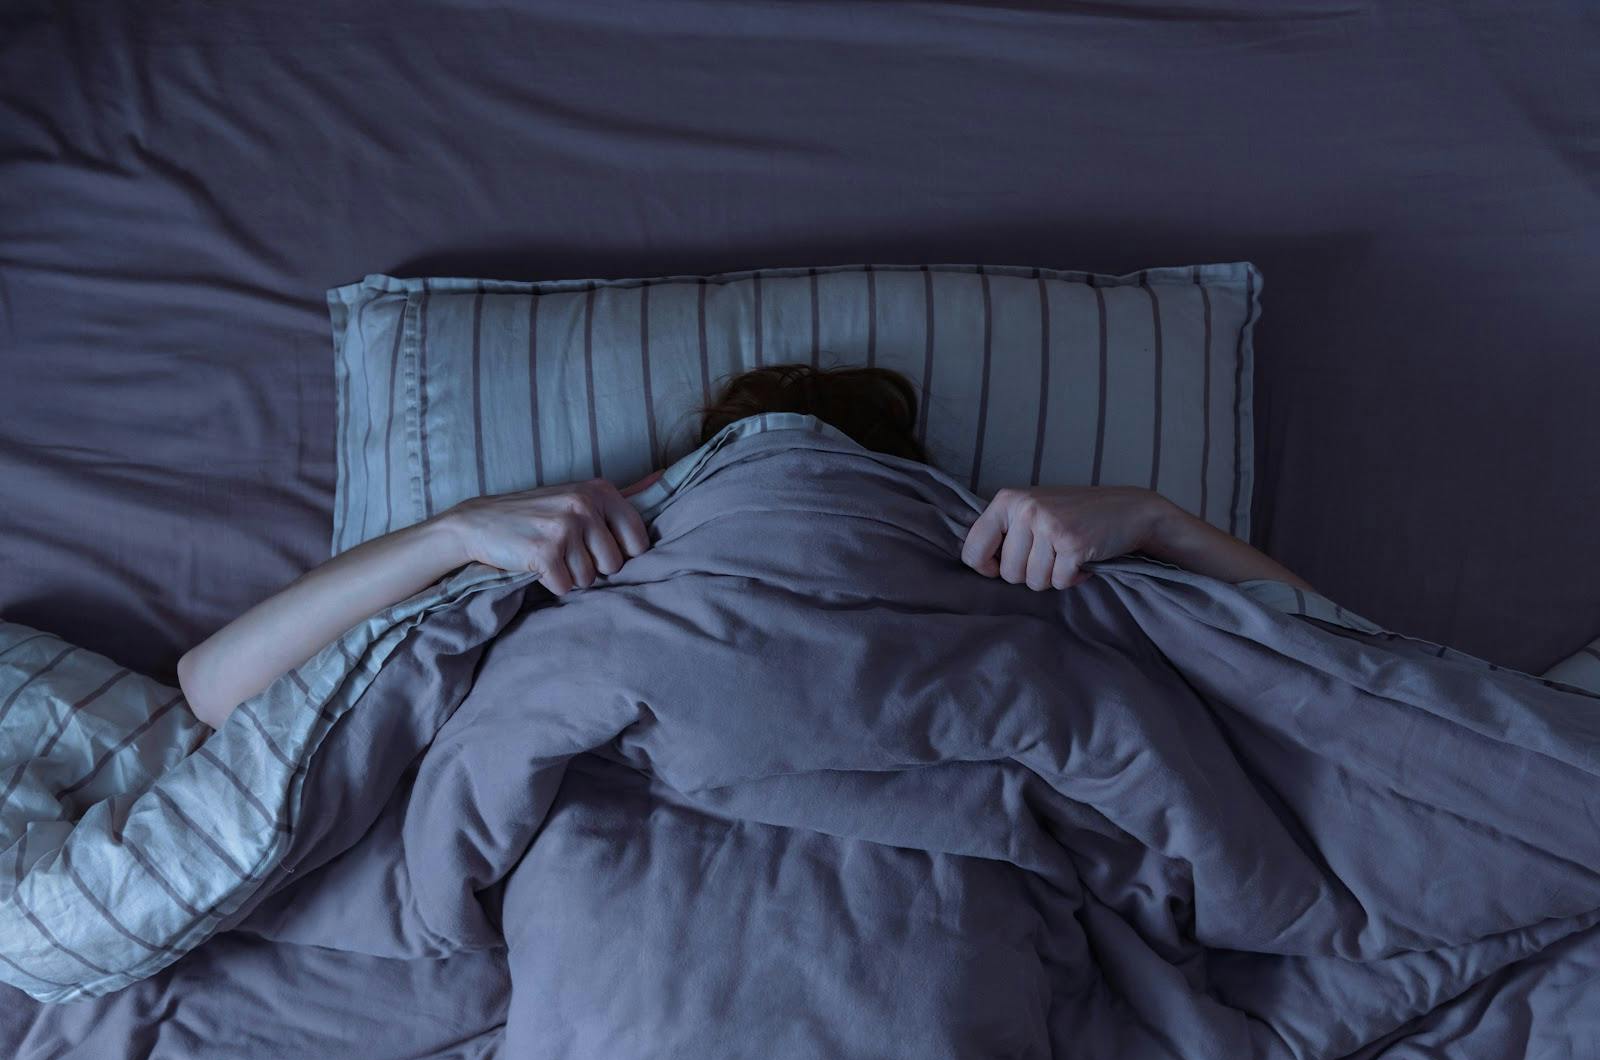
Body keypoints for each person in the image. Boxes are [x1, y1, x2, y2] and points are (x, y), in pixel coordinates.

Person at [177, 364, 1313, 728]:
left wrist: (1153, 525)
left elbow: (1361, 684)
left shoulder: (1017, 570)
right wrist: (455, 534)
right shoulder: (565, 577)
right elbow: (214, 687)